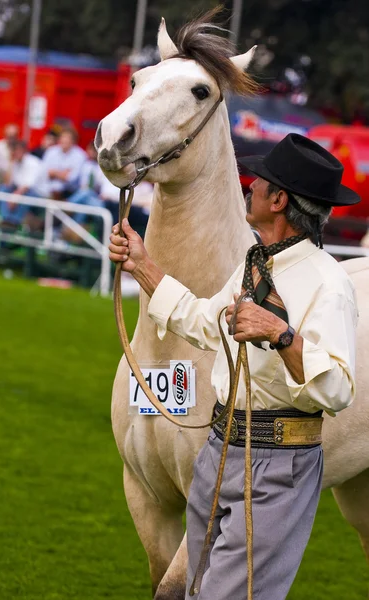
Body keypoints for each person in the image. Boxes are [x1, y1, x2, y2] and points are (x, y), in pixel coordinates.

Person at [109, 133, 360, 600]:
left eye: (259, 182)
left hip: (278, 464)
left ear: (280, 200)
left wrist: (281, 335)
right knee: (197, 592)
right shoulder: (256, 263)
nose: (250, 187)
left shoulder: (329, 284)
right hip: (220, 451)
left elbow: (338, 389)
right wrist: (142, 266)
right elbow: (206, 322)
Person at [0, 140, 44, 228]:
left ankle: (14, 221)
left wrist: (15, 197)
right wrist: (10, 163)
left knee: (27, 194)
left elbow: (27, 186)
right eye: (14, 150)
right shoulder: (14, 163)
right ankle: (6, 219)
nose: (16, 152)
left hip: (38, 195)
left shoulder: (33, 163)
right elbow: (7, 184)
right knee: (3, 189)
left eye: (18, 150)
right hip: (20, 192)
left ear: (24, 151)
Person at [40, 127, 86, 199]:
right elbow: (43, 173)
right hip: (48, 190)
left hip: (70, 193)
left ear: (73, 141)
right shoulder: (51, 151)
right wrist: (63, 173)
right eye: (63, 137)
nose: (65, 140)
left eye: (68, 138)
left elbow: (71, 178)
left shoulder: (80, 155)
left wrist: (54, 173)